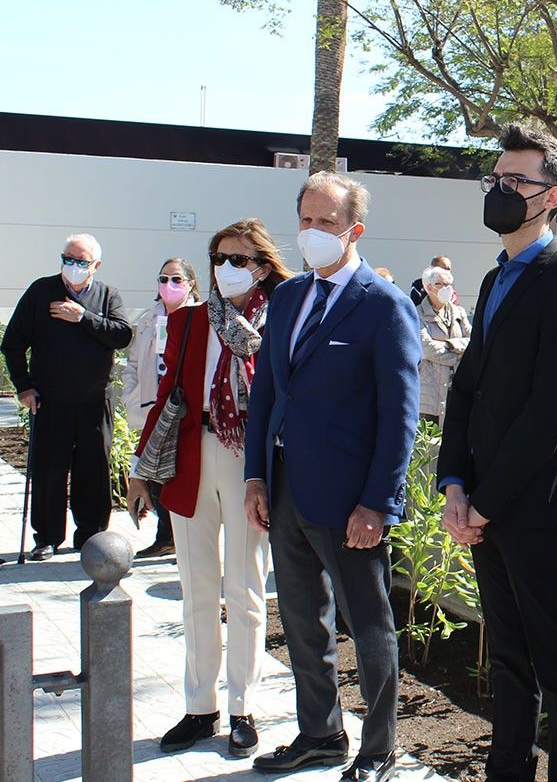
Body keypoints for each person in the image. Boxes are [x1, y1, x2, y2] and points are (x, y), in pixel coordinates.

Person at [439, 123, 557, 782]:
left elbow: (550, 414)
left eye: (517, 180)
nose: (501, 190)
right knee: (508, 660)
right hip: (483, 501)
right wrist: (455, 485)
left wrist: (486, 503)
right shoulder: (493, 279)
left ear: (552, 197)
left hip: (534, 507)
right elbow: (467, 388)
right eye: (497, 178)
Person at [243, 172, 421, 782]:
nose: (313, 232)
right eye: (306, 220)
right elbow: (267, 393)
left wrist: (378, 503)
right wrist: (256, 477)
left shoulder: (384, 305)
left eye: (327, 222)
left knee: (369, 627)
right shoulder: (288, 297)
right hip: (285, 488)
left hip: (351, 504)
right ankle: (320, 734)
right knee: (301, 620)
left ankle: (379, 748)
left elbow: (400, 416)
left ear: (355, 230)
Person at [126, 221, 291, 758]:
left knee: (245, 589)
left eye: (238, 259)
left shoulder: (281, 316)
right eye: (219, 258)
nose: (225, 268)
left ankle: (244, 706)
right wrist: (141, 468)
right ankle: (200, 706)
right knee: (197, 588)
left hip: (249, 460)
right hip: (191, 453)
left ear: (261, 266)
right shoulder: (191, 319)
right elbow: (168, 393)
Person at [2, 234, 132, 560]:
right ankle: (47, 537)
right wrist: (24, 387)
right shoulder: (41, 291)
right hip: (49, 401)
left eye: (81, 261)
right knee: (49, 471)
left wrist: (83, 317)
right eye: (67, 259)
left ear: (96, 266)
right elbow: (13, 342)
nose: (72, 266)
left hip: (94, 402)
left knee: (93, 470)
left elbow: (121, 335)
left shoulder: (108, 296)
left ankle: (91, 537)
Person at [122, 257, 200, 559]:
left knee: (175, 475)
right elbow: (134, 363)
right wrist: (131, 395)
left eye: (177, 279)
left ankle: (177, 538)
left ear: (191, 283)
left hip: (182, 411)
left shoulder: (199, 316)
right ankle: (166, 537)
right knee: (154, 474)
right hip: (152, 407)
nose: (169, 285)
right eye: (164, 279)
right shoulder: (148, 319)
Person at [416, 264, 471, 424]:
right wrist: (458, 356)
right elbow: (427, 348)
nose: (446, 288)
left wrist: (450, 345)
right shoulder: (418, 314)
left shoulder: (459, 312)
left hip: (455, 390)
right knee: (427, 437)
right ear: (429, 287)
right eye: (440, 284)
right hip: (429, 393)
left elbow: (472, 341)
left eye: (448, 284)